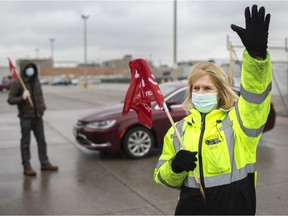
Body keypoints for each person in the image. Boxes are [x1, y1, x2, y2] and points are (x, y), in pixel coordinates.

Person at [154, 5, 271, 215]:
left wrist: (256, 59)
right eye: (195, 88)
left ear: (219, 92)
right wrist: (175, 167)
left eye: (207, 88)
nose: (200, 92)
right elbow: (162, 177)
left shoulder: (239, 124)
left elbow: (256, 98)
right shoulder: (177, 130)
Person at [7, 62, 58, 177]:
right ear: (23, 69)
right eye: (28, 68)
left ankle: (44, 163)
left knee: (42, 141)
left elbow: (40, 96)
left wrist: (43, 107)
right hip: (26, 118)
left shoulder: (36, 81)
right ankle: (27, 166)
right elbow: (10, 100)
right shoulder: (18, 82)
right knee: (25, 143)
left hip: (38, 117)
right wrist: (22, 97)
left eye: (32, 68)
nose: (30, 70)